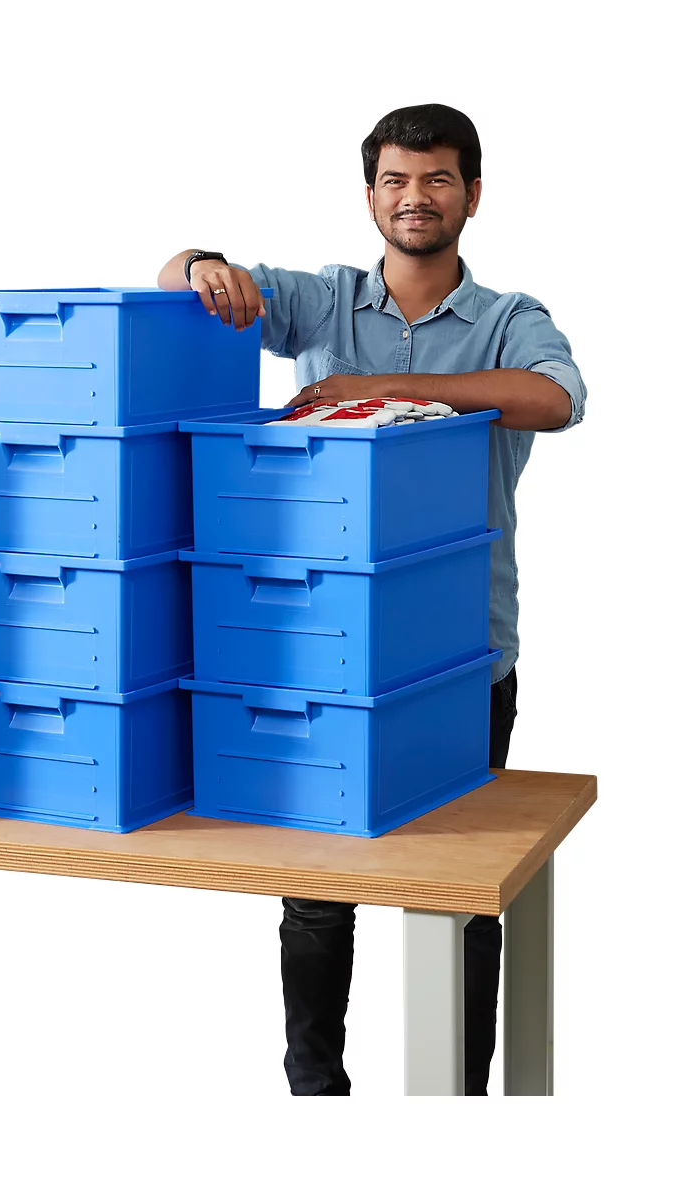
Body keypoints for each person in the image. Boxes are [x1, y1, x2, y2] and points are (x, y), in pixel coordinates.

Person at [157, 103, 586, 1096]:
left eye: (436, 179)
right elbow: (180, 275)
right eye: (396, 180)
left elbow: (557, 399)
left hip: (461, 655)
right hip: (322, 653)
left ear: (472, 195)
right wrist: (197, 267)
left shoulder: (509, 319)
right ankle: (319, 1101)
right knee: (315, 895)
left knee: (463, 898)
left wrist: (375, 384)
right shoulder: (323, 299)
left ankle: (460, 1109)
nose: (415, 197)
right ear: (370, 196)